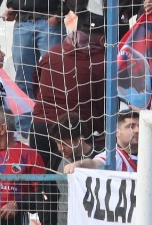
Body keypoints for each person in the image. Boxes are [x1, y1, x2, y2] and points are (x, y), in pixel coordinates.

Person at [31, 20, 107, 164]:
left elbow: (35, 83)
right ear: (102, 40)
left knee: (42, 180)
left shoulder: (51, 53)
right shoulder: (101, 61)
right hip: (73, 130)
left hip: (42, 124)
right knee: (74, 180)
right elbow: (102, 103)